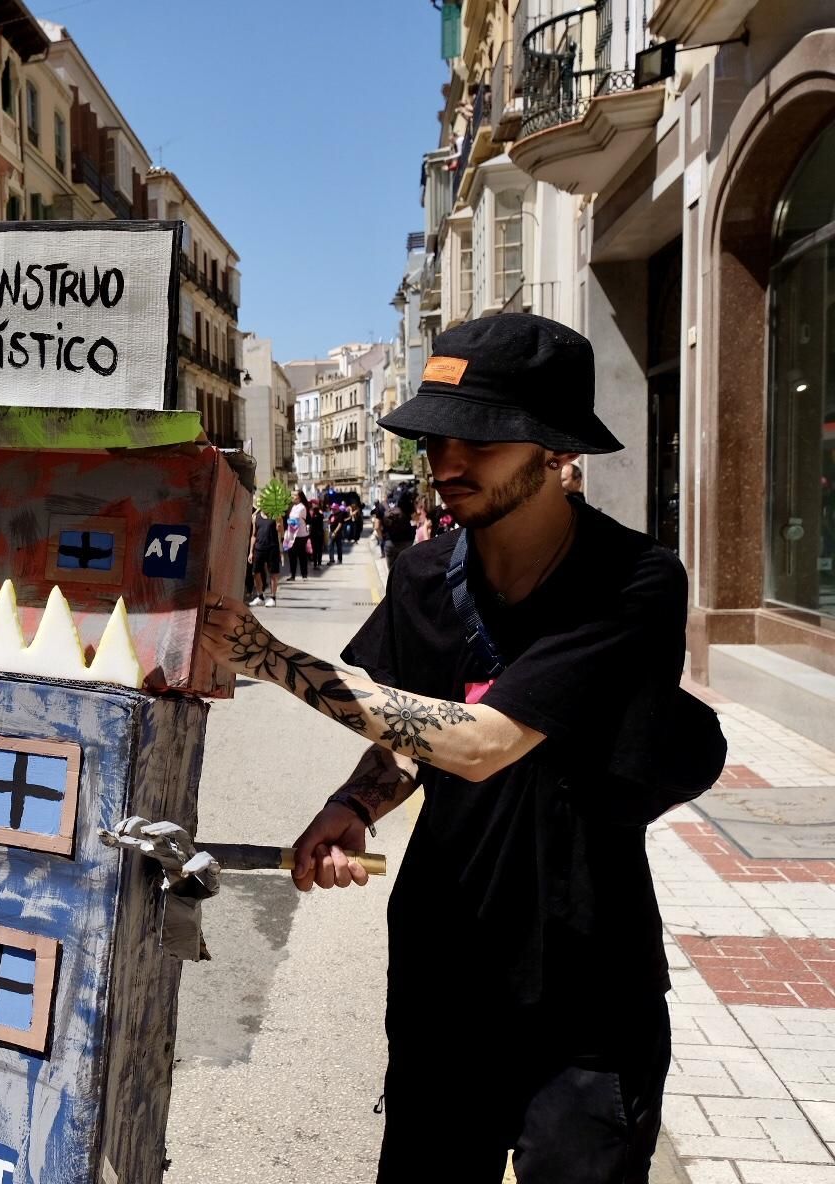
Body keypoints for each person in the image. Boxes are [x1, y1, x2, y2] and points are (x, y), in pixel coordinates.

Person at [199, 313, 726, 1183]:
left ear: (554, 449)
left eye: (480, 440)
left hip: (588, 991)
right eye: (438, 437)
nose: (448, 462)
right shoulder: (421, 577)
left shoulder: (631, 582)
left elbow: (483, 742)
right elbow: (409, 743)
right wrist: (350, 808)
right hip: (445, 975)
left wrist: (268, 656)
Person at [247, 495, 281, 607]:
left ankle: (273, 598)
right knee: (255, 572)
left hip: (272, 548)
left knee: (273, 574)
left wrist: (279, 527)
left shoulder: (276, 515)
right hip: (259, 548)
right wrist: (251, 552)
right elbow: (253, 535)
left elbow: (281, 531)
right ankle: (260, 596)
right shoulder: (255, 517)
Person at [284, 491, 311, 581]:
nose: (292, 497)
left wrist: (287, 523)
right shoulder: (292, 507)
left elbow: (294, 520)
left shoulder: (302, 507)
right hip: (291, 535)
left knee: (302, 555)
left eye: (294, 495)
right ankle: (292, 575)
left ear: (299, 497)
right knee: (292, 555)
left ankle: (304, 575)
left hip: (300, 535)